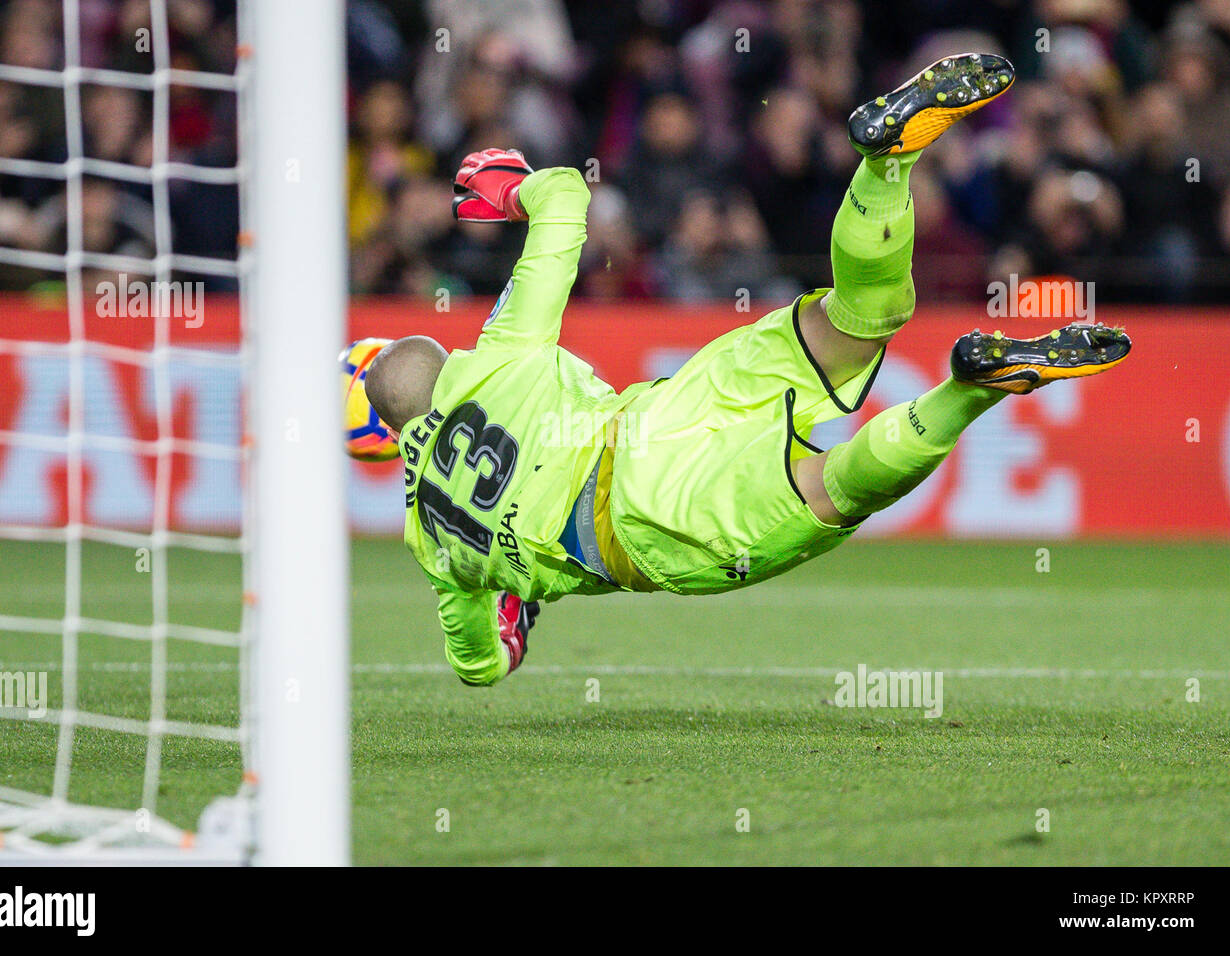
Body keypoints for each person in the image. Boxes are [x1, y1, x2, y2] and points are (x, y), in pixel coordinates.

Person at [361, 53, 1132, 686]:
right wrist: (503, 185)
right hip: (664, 411)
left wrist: (511, 612)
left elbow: (479, 668)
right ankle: (885, 168)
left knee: (830, 486)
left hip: (644, 518)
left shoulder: (427, 540)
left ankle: (967, 390)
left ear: (388, 435)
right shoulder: (498, 351)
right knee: (861, 324)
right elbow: (565, 195)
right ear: (442, 361)